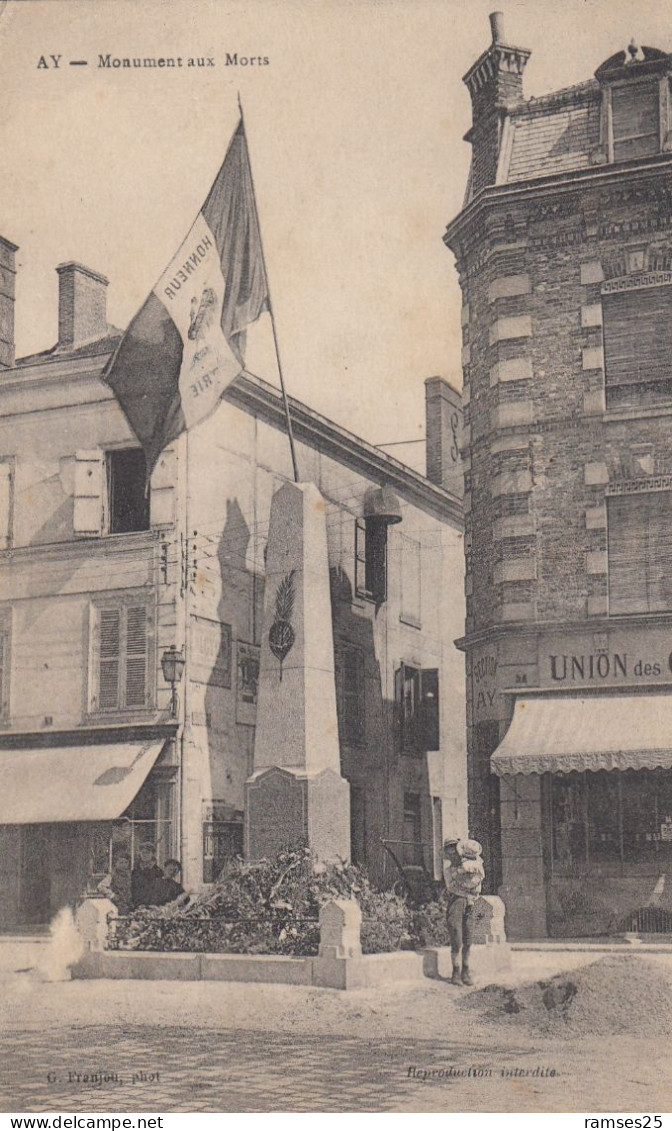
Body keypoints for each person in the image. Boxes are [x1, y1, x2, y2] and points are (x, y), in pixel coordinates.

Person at [443, 836, 485, 987]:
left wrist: (468, 886)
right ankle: (456, 971)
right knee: (456, 937)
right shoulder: (448, 870)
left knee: (468, 938)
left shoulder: (472, 864)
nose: (453, 852)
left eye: (455, 848)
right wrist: (468, 887)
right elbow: (451, 887)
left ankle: (466, 971)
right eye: (449, 849)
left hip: (471, 902)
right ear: (447, 853)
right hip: (457, 902)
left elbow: (478, 881)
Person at [130, 843, 164, 909]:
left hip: (154, 906)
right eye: (143, 853)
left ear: (153, 854)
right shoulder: (135, 871)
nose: (145, 855)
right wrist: (136, 903)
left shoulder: (158, 872)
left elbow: (160, 891)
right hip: (137, 906)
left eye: (147, 853)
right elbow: (133, 889)